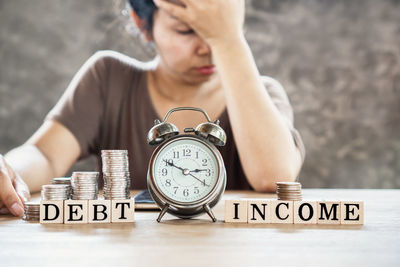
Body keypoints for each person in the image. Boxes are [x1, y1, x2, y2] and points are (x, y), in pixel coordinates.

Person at [0, 0, 305, 217]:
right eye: (186, 31)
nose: (207, 47)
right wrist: (10, 173)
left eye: (217, 30)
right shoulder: (107, 78)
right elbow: (45, 155)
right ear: (141, 22)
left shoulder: (265, 94)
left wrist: (229, 40)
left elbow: (273, 177)